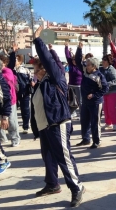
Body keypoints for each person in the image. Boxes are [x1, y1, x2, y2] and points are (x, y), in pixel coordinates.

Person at [31, 27, 85, 207]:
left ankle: (76, 187)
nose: (34, 71)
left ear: (44, 69)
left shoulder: (57, 78)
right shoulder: (39, 85)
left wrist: (38, 41)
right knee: (48, 157)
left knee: (64, 157)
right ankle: (52, 184)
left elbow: (47, 60)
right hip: (44, 126)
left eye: (36, 68)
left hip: (58, 123)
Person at [75, 42, 108, 148]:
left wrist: (94, 95)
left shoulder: (99, 76)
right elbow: (77, 61)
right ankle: (86, 139)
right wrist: (79, 49)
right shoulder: (85, 72)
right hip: (85, 102)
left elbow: (105, 89)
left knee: (95, 122)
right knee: (84, 121)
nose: (86, 66)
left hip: (95, 103)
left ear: (94, 66)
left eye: (88, 64)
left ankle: (97, 141)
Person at [99, 54, 116, 131]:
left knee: (111, 108)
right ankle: (108, 123)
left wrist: (106, 84)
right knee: (105, 109)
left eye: (104, 60)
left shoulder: (112, 69)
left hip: (112, 91)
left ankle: (115, 123)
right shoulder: (100, 69)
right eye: (102, 59)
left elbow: (115, 81)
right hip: (104, 92)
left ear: (108, 61)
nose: (103, 61)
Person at [65, 41, 83, 118]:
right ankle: (72, 113)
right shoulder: (71, 65)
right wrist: (66, 47)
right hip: (71, 85)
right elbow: (67, 55)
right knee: (71, 101)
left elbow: (79, 57)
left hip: (79, 86)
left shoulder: (81, 66)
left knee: (80, 102)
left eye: (75, 60)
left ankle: (82, 114)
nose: (73, 61)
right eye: (72, 60)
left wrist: (79, 48)